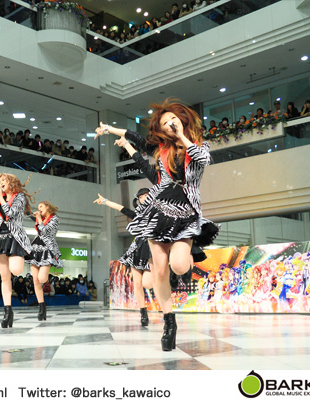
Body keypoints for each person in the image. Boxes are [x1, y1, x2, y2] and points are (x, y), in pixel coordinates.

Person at [95, 99, 219, 351]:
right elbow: (137, 139)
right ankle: (169, 322)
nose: (169, 123)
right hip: (158, 213)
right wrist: (110, 129)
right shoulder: (161, 149)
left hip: (185, 214)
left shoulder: (198, 146)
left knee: (179, 265)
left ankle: (186, 259)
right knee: (159, 269)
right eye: (164, 123)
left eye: (172, 119)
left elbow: (203, 159)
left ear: (181, 120)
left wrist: (182, 137)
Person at [0, 163, 35, 328]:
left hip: (15, 237)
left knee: (16, 270)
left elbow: (10, 214)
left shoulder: (19, 197)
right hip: (1, 236)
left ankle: (9, 310)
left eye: (3, 181)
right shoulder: (1, 194)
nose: (0, 184)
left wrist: (1, 197)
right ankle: (7, 311)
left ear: (11, 183)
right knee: (4, 277)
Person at [94, 188, 153, 326]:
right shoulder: (137, 214)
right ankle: (143, 312)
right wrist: (105, 201)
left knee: (147, 283)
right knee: (137, 284)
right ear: (138, 200)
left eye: (146, 195)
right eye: (141, 197)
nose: (144, 198)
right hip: (137, 248)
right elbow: (122, 209)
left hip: (152, 248)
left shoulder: (158, 210)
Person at [25, 200, 64, 320]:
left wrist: (38, 219)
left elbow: (45, 232)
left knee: (42, 278)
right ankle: (42, 306)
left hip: (47, 249)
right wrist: (28, 211)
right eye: (38, 207)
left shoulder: (54, 219)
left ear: (47, 207)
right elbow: (30, 216)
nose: (39, 209)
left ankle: (44, 302)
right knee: (35, 280)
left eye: (41, 206)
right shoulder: (40, 218)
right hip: (36, 248)